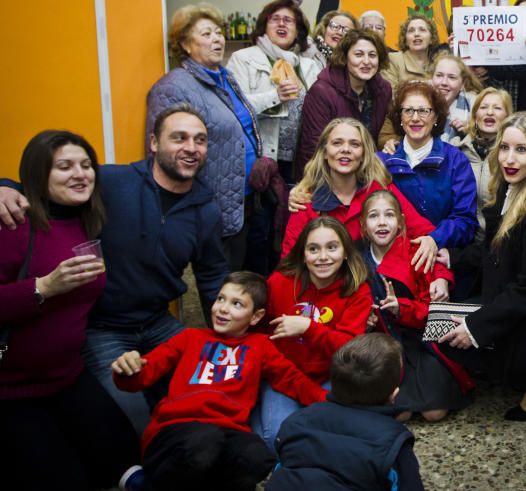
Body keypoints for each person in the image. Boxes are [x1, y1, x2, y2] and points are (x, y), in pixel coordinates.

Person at [0, 105, 229, 436]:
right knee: (133, 422)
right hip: (103, 328)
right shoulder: (110, 181)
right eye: (178, 138)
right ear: (154, 143)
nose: (191, 148)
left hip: (158, 321)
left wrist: (224, 334)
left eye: (200, 140)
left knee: (217, 382)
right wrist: (6, 186)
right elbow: (47, 186)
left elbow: (211, 278)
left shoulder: (207, 209)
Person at [0, 131, 139, 491]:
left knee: (128, 456)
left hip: (67, 376)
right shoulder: (12, 224)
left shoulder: (86, 218)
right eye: (64, 166)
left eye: (86, 165)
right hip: (12, 388)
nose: (80, 174)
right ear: (38, 173)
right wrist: (43, 287)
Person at [111, 272, 327, 491]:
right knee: (204, 442)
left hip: (227, 432)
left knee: (256, 456)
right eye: (220, 299)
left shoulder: (260, 345)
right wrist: (128, 369)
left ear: (255, 316)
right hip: (175, 430)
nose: (223, 308)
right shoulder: (190, 337)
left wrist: (328, 401)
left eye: (237, 304)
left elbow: (291, 378)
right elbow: (141, 375)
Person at [438, 113, 526, 419]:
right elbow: (492, 251)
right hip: (501, 302)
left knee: (456, 337)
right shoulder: (505, 192)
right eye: (505, 148)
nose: (510, 159)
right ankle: (501, 366)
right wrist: (451, 258)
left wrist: (477, 327)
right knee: (436, 328)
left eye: (522, 150)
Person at [146, 3, 262, 269]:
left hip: (244, 197)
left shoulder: (225, 77)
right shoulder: (173, 87)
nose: (217, 39)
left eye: (218, 32)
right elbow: (163, 153)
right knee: (222, 282)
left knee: (244, 278)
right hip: (211, 202)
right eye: (206, 34)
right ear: (185, 45)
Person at [281, 119, 444, 295]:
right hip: (325, 297)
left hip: (378, 296)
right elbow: (289, 265)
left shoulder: (381, 191)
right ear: (325, 152)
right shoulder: (306, 201)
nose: (346, 149)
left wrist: (441, 276)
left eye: (354, 144)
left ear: (364, 154)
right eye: (337, 143)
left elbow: (424, 234)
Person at [255, 217, 371, 448]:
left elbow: (348, 349)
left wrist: (308, 328)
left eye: (332, 247)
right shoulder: (279, 283)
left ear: (346, 252)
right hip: (284, 375)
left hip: (332, 375)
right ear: (302, 254)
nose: (323, 257)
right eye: (313, 249)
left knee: (338, 436)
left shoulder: (357, 290)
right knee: (276, 437)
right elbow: (257, 334)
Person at [361, 190, 470, 421]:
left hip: (422, 342)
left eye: (389, 215)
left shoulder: (416, 253)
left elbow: (434, 309)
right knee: (400, 414)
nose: (382, 222)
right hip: (387, 346)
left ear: (401, 222)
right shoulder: (359, 262)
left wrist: (402, 308)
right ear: (363, 225)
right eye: (373, 216)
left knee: (434, 413)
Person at [267, 334, 425, 491]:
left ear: (333, 383)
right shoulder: (393, 443)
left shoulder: (295, 421)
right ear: (394, 395)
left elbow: (281, 468)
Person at [379, 80, 479, 254]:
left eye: (424, 111)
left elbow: (466, 221)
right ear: (399, 118)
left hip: (441, 256)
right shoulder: (383, 162)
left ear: (437, 117)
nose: (415, 118)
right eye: (408, 110)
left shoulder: (456, 161)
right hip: (392, 256)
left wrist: (435, 238)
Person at [228, 0, 321, 178]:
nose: (281, 24)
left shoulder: (309, 65)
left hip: (302, 160)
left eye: (288, 20)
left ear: (298, 30)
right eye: (274, 19)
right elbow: (234, 107)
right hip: (262, 159)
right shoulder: (242, 59)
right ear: (264, 26)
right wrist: (275, 96)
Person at [295, 28, 393, 179]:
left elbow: (384, 134)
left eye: (372, 55)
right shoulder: (321, 92)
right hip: (326, 178)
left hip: (366, 175)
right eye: (358, 54)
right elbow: (313, 148)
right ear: (345, 57)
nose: (366, 61)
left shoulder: (383, 90)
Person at [449, 88, 513, 251]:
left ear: (507, 116)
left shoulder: (513, 158)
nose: (490, 112)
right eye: (483, 107)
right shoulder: (456, 151)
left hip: (499, 245)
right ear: (475, 115)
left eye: (497, 108)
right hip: (461, 245)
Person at [430, 52, 482, 142]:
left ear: (462, 83)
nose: (444, 82)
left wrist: (472, 130)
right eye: (439, 75)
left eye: (451, 77)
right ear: (432, 78)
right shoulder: (416, 98)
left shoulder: (475, 104)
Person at [384, 15, 443, 90]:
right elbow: (389, 95)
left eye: (422, 30)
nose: (416, 34)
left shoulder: (439, 62)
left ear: (431, 39)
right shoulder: (393, 59)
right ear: (405, 40)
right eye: (411, 31)